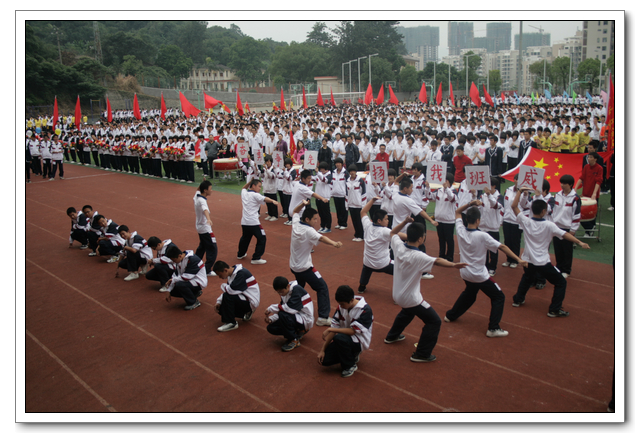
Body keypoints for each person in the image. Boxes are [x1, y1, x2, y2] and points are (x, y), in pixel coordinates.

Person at [384, 217, 467, 362]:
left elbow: (392, 233)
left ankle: (392, 336)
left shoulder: (398, 246)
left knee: (408, 312)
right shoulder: (419, 256)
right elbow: (437, 261)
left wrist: (404, 222)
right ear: (420, 239)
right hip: (411, 298)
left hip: (397, 295)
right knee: (434, 321)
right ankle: (422, 353)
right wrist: (454, 265)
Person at [444, 201, 526, 337]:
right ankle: (493, 328)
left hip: (465, 273)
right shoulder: (483, 235)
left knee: (470, 294)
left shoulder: (460, 230)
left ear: (466, 219)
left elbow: (457, 212)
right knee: (499, 296)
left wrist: (470, 203)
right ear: (478, 220)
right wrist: (519, 259)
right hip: (479, 275)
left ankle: (450, 315)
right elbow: (502, 247)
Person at [511, 190, 590, 317]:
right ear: (543, 211)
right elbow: (565, 235)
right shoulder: (549, 225)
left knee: (527, 278)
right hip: (542, 262)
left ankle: (518, 299)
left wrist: (520, 191)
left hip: (527, 259)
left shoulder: (526, 221)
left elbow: (514, 206)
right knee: (561, 282)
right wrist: (580, 242)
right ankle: (554, 309)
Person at [289, 199, 343, 326]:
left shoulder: (296, 223)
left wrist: (302, 204)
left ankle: (291, 308)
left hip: (294, 266)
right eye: (314, 219)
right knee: (322, 287)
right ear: (307, 219)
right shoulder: (309, 231)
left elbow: (295, 211)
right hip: (305, 268)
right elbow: (322, 238)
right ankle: (323, 317)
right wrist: (334, 243)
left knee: (299, 287)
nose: (316, 221)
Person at [317, 285, 373, 378]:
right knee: (325, 360)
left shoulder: (365, 310)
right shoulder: (341, 307)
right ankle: (351, 354)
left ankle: (350, 365)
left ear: (351, 300)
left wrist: (331, 329)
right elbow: (334, 327)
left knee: (339, 338)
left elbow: (352, 331)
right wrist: (322, 350)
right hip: (344, 338)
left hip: (359, 341)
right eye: (339, 304)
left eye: (342, 304)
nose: (341, 306)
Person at [391, 174, 439, 279]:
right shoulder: (408, 200)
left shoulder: (395, 194)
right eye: (411, 188)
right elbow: (421, 212)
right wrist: (431, 220)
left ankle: (398, 268)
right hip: (405, 231)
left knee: (397, 250)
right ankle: (423, 272)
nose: (412, 190)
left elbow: (396, 181)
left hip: (395, 228)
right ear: (405, 188)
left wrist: (402, 175)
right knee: (419, 247)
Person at [357, 197, 406, 294]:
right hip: (382, 264)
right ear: (379, 220)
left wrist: (372, 200)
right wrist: (412, 235)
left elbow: (363, 212)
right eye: (386, 219)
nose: (388, 221)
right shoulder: (385, 231)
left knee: (366, 268)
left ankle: (361, 287)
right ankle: (399, 293)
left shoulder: (367, 225)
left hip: (368, 262)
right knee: (403, 270)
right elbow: (402, 236)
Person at [265, 276, 314, 352]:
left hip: (305, 319)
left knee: (283, 315)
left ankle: (294, 339)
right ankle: (298, 331)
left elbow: (288, 309)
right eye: (278, 292)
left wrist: (270, 308)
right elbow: (282, 308)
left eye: (281, 292)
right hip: (295, 316)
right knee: (271, 328)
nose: (280, 294)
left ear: (288, 286)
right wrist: (272, 319)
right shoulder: (285, 293)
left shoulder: (297, 290)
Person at [237, 179, 278, 265]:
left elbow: (243, 188)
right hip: (253, 222)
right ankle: (256, 257)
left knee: (245, 237)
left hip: (244, 222)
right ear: (253, 186)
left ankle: (240, 254)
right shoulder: (255, 195)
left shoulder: (244, 193)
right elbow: (265, 198)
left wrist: (250, 181)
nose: (260, 188)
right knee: (262, 238)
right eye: (259, 186)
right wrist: (272, 201)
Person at [213, 260, 260, 332]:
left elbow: (230, 291)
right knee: (221, 307)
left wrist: (222, 286)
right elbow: (229, 290)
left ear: (225, 270)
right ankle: (247, 312)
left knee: (227, 297)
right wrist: (219, 301)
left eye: (219, 275)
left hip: (251, 300)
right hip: (243, 297)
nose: (219, 277)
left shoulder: (241, 274)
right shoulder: (231, 275)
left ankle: (231, 323)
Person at [551, 175, 582, 278]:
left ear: (570, 185)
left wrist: (573, 230)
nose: (562, 185)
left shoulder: (575, 198)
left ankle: (566, 270)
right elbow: (553, 211)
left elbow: (576, 215)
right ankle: (559, 267)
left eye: (564, 183)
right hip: (556, 227)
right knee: (558, 249)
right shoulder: (557, 195)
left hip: (567, 228)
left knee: (567, 250)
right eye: (561, 183)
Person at [162, 245, 208, 311]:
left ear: (179, 256)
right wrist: (169, 290)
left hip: (198, 281)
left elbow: (186, 277)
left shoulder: (193, 260)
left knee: (179, 285)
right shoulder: (179, 260)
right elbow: (175, 275)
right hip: (189, 280)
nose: (174, 262)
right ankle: (194, 293)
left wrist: (173, 280)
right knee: (173, 290)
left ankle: (194, 302)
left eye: (174, 260)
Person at [430, 172, 457, 262]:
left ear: (449, 181)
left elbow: (452, 198)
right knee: (441, 239)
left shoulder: (453, 191)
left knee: (449, 239)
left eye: (445, 180)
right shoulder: (439, 190)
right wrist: (427, 187)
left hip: (449, 220)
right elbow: (429, 196)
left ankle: (449, 257)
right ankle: (441, 255)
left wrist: (446, 189)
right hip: (439, 219)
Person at [576, 152, 603, 237]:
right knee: (581, 214)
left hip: (593, 194)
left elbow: (598, 181)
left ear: (595, 159)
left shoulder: (599, 168)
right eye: (588, 157)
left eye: (591, 157)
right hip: (585, 193)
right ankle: (590, 228)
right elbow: (581, 178)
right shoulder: (586, 167)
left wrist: (594, 193)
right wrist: (575, 189)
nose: (589, 158)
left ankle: (589, 231)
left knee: (592, 213)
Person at [193, 180, 217, 275]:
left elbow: (198, 189)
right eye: (210, 189)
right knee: (212, 248)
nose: (212, 190)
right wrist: (208, 219)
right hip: (205, 228)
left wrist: (203, 183)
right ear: (205, 190)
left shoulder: (197, 196)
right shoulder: (202, 201)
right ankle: (207, 269)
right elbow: (205, 209)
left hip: (199, 227)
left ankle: (194, 263)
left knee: (202, 247)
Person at [346, 165, 366, 241]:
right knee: (354, 221)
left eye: (353, 171)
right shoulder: (347, 181)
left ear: (356, 172)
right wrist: (346, 205)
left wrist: (363, 205)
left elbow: (364, 193)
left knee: (359, 221)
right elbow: (346, 194)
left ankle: (361, 235)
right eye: (351, 171)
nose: (352, 173)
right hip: (351, 204)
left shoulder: (360, 181)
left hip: (358, 205)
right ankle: (357, 234)